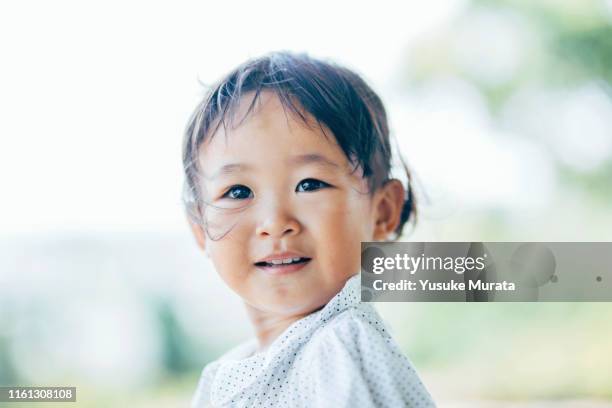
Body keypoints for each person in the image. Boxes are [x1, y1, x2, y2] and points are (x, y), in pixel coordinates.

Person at [182, 51, 435, 407]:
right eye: (238, 192)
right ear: (199, 228)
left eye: (310, 184)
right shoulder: (233, 369)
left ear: (382, 211)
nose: (275, 223)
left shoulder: (339, 347)